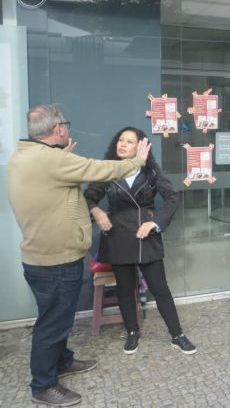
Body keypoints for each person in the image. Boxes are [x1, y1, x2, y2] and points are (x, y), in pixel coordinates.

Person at [7, 105, 150, 407]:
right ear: (58, 129)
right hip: (56, 259)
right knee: (52, 323)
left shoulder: (26, 156)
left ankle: (62, 361)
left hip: (42, 255)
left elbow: (56, 184)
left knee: (57, 317)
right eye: (66, 125)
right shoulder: (52, 160)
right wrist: (136, 161)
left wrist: (63, 158)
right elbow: (101, 169)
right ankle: (43, 385)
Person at [84, 127, 196, 354]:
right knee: (125, 289)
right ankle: (132, 332)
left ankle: (177, 335)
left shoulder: (151, 172)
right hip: (117, 236)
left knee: (160, 288)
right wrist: (97, 211)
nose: (123, 144)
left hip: (146, 235)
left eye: (129, 141)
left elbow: (172, 198)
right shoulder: (108, 170)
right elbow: (86, 198)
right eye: (120, 140)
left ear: (140, 147)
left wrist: (155, 223)